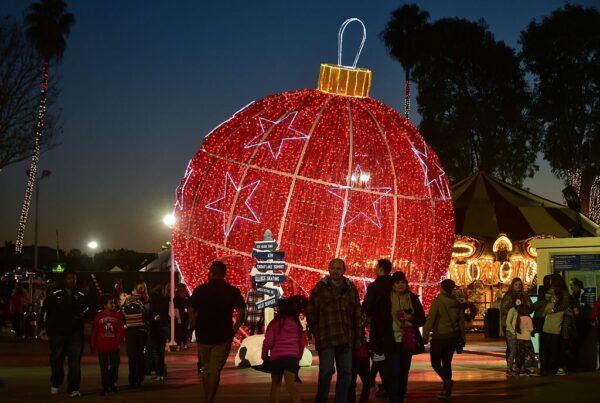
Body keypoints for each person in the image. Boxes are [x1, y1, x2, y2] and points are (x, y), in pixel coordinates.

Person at [189, 261, 246, 403]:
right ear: (224, 274)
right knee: (215, 371)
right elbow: (241, 311)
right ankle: (209, 399)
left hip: (203, 334)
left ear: (212, 273)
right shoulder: (231, 291)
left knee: (206, 369)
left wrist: (194, 324)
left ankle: (207, 398)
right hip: (223, 335)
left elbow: (191, 308)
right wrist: (234, 329)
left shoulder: (200, 290)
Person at [307, 258, 362, 403]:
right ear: (329, 269)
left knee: (346, 374)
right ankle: (322, 399)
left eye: (339, 268)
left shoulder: (351, 289)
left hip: (346, 338)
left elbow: (357, 314)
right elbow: (311, 311)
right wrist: (316, 333)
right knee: (326, 373)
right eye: (333, 268)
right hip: (327, 338)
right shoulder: (319, 288)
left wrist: (358, 338)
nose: (336, 271)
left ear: (344, 270)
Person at [373, 272, 425, 403]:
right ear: (392, 285)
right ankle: (394, 399)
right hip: (391, 341)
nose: (400, 285)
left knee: (403, 373)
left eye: (403, 282)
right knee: (393, 372)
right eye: (397, 283)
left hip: (407, 341)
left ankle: (400, 397)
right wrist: (375, 341)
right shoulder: (385, 299)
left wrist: (411, 318)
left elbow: (422, 319)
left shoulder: (412, 298)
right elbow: (377, 321)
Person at [40, 268, 90, 397]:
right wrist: (42, 327)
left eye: (73, 278)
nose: (72, 280)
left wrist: (82, 315)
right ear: (64, 279)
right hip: (57, 333)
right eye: (69, 278)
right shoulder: (55, 294)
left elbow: (89, 308)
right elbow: (45, 310)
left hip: (75, 333)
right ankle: (56, 382)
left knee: (74, 362)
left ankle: (73, 388)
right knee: (56, 360)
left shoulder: (81, 294)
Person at [423, 279, 465, 400]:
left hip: (439, 337)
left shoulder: (438, 301)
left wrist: (424, 335)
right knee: (447, 362)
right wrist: (463, 337)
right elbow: (461, 322)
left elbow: (430, 319)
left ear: (441, 288)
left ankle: (447, 381)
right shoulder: (457, 303)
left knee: (435, 363)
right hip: (452, 337)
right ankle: (446, 389)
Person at [261, 298, 306, 403]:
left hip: (276, 357)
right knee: (290, 385)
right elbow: (302, 342)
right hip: (291, 358)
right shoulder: (297, 324)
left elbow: (268, 341)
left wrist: (264, 355)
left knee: (276, 385)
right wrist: (298, 357)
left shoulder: (274, 323)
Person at [361, 258, 393, 398]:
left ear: (380, 269)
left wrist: (366, 316)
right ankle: (377, 381)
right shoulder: (395, 284)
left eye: (376, 267)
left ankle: (384, 384)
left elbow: (367, 306)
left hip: (379, 327)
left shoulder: (375, 286)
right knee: (387, 356)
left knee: (379, 355)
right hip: (394, 328)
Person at [91, 293, 125, 395]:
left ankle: (113, 383)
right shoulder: (99, 316)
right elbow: (95, 331)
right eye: (111, 303)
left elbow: (121, 330)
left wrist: (118, 341)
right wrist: (93, 344)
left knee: (114, 366)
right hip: (102, 347)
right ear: (104, 305)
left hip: (114, 347)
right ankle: (105, 387)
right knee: (104, 368)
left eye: (113, 302)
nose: (113, 304)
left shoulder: (118, 316)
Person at [539, 274, 570, 376]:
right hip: (550, 323)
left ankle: (550, 368)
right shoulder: (550, 292)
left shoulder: (563, 293)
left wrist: (553, 310)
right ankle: (547, 368)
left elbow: (565, 305)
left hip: (556, 324)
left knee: (552, 348)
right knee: (549, 347)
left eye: (552, 281)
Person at [122, 282, 149, 387]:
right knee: (140, 354)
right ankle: (139, 376)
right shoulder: (145, 300)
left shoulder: (127, 299)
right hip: (141, 330)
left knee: (132, 355)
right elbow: (147, 315)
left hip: (130, 330)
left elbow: (122, 312)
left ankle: (133, 378)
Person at [500, 278, 532, 363]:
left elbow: (530, 307)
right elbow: (503, 308)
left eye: (520, 284)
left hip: (522, 324)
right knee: (511, 346)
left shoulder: (524, 295)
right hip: (510, 323)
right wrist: (514, 313)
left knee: (521, 346)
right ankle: (510, 365)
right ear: (512, 285)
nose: (518, 286)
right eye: (516, 284)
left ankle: (519, 365)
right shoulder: (508, 296)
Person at [506, 302, 537, 375]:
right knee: (519, 352)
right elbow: (508, 323)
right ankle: (511, 368)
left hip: (519, 337)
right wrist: (513, 332)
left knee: (520, 353)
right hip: (521, 336)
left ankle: (519, 368)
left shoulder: (519, 317)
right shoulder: (513, 310)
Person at [147, 283, 169, 380]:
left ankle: (157, 371)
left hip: (154, 328)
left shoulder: (151, 301)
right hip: (163, 327)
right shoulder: (165, 301)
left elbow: (150, 315)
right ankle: (160, 372)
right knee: (160, 351)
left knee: (155, 351)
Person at [174, 284, 190, 350]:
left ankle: (184, 344)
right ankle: (179, 344)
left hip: (185, 315)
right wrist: (178, 317)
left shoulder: (186, 296)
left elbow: (188, 304)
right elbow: (176, 308)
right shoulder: (177, 297)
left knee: (184, 330)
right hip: (179, 315)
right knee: (179, 330)